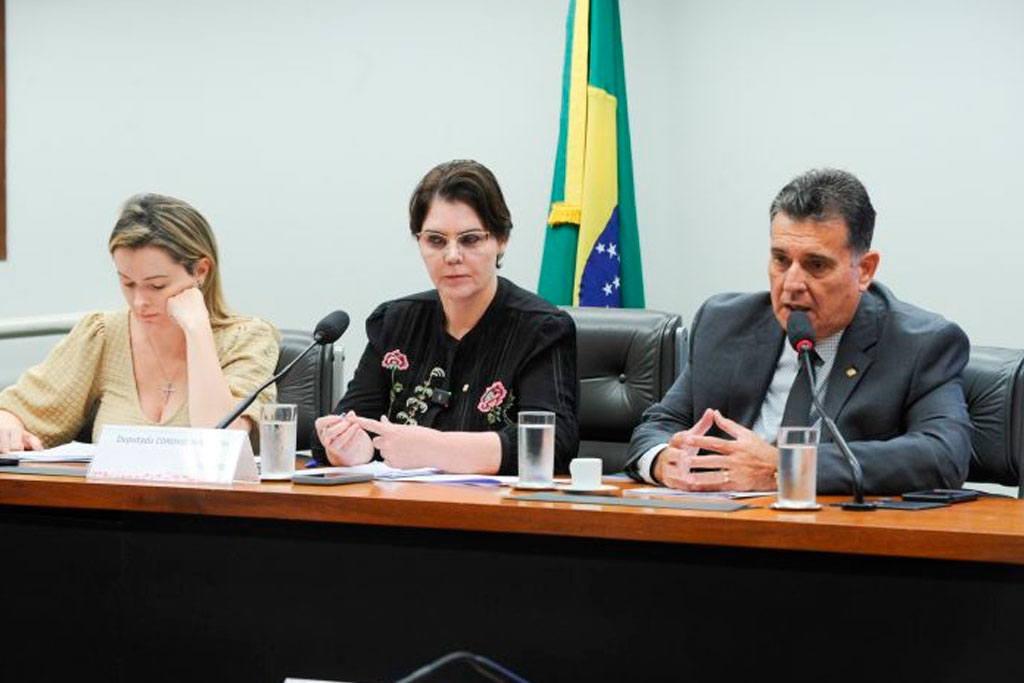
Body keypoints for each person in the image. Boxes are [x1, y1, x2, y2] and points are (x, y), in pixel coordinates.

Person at [626, 168, 971, 495]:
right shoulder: (724, 323)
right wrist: (662, 460)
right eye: (780, 260)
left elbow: (943, 455)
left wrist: (784, 467)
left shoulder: (919, 343)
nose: (791, 284)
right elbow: (659, 424)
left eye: (815, 265)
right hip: (721, 520)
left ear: (864, 270)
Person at [314, 159, 579, 474]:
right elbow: (353, 421)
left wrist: (434, 448)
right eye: (436, 240)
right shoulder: (394, 322)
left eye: (470, 239)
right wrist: (350, 447)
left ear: (501, 240)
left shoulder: (542, 329)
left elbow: (553, 443)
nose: (452, 256)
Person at [0, 194, 280, 454]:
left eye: (157, 285)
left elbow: (221, 444)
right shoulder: (103, 334)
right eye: (127, 283)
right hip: (110, 493)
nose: (139, 301)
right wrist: (9, 423)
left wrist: (197, 330)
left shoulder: (248, 339)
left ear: (201, 271)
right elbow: (17, 411)